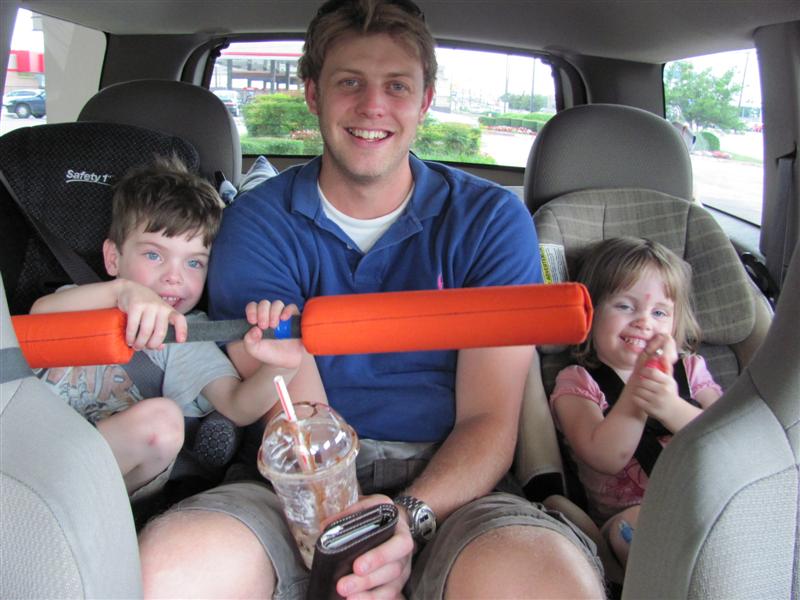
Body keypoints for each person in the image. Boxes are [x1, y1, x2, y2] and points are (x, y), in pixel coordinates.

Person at [138, 1, 605, 598]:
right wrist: (356, 545)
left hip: (457, 489)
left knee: (549, 581)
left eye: (397, 86)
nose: (372, 106)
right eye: (349, 83)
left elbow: (489, 418)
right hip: (297, 485)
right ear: (313, 93)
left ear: (425, 100)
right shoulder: (257, 224)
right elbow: (300, 419)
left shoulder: (490, 220)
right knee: (173, 567)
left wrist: (405, 519)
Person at [30, 155, 303, 497]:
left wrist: (282, 367)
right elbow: (39, 316)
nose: (174, 277)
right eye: (154, 255)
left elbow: (236, 405)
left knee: (163, 421)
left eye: (194, 263)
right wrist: (120, 292)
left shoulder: (187, 334)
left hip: (89, 484)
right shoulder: (87, 299)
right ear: (113, 258)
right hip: (26, 442)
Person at [549, 237, 723, 567]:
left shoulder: (691, 371)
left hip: (707, 499)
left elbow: (727, 440)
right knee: (633, 529)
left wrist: (672, 408)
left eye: (659, 312)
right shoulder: (577, 383)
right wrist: (639, 392)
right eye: (625, 307)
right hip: (628, 516)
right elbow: (606, 457)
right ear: (590, 313)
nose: (644, 322)